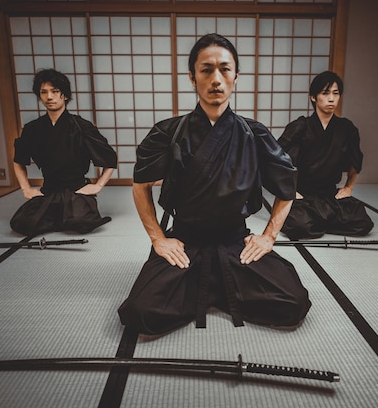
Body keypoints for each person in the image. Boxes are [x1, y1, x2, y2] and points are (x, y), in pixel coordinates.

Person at [118, 34, 311, 336]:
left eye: (225, 69)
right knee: (141, 313)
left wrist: (269, 237)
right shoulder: (167, 133)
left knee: (293, 302)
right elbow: (140, 185)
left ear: (236, 76)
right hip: (185, 243)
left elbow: (287, 187)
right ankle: (218, 287)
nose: (216, 79)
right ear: (192, 78)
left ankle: (202, 288)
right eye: (206, 70)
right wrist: (159, 240)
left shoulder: (254, 134)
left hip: (236, 243)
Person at [10, 68, 117, 236]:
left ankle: (62, 214)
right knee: (23, 224)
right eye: (43, 92)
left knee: (80, 222)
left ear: (65, 95)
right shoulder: (32, 129)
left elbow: (110, 159)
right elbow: (18, 160)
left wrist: (98, 186)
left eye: (55, 91)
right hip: (49, 190)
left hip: (76, 189)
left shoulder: (81, 126)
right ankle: (58, 214)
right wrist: (26, 188)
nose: (49, 97)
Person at [278, 71, 373, 240]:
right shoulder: (300, 126)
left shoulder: (346, 128)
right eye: (325, 93)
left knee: (363, 222)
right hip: (303, 195)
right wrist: (290, 190)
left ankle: (320, 221)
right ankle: (323, 221)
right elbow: (278, 159)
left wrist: (348, 188)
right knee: (299, 226)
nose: (331, 99)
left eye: (335, 94)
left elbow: (356, 160)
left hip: (330, 195)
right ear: (313, 97)